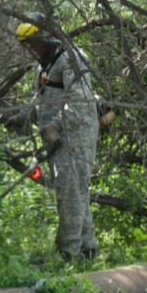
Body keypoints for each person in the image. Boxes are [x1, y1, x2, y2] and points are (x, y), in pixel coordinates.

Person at [16, 14, 99, 260]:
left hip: (75, 138)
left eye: (34, 42)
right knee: (75, 192)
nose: (31, 49)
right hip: (56, 140)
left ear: (47, 36)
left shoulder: (72, 60)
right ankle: (87, 249)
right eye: (27, 44)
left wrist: (58, 126)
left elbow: (81, 102)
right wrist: (23, 116)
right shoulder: (43, 65)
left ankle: (68, 255)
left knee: (69, 191)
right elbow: (42, 97)